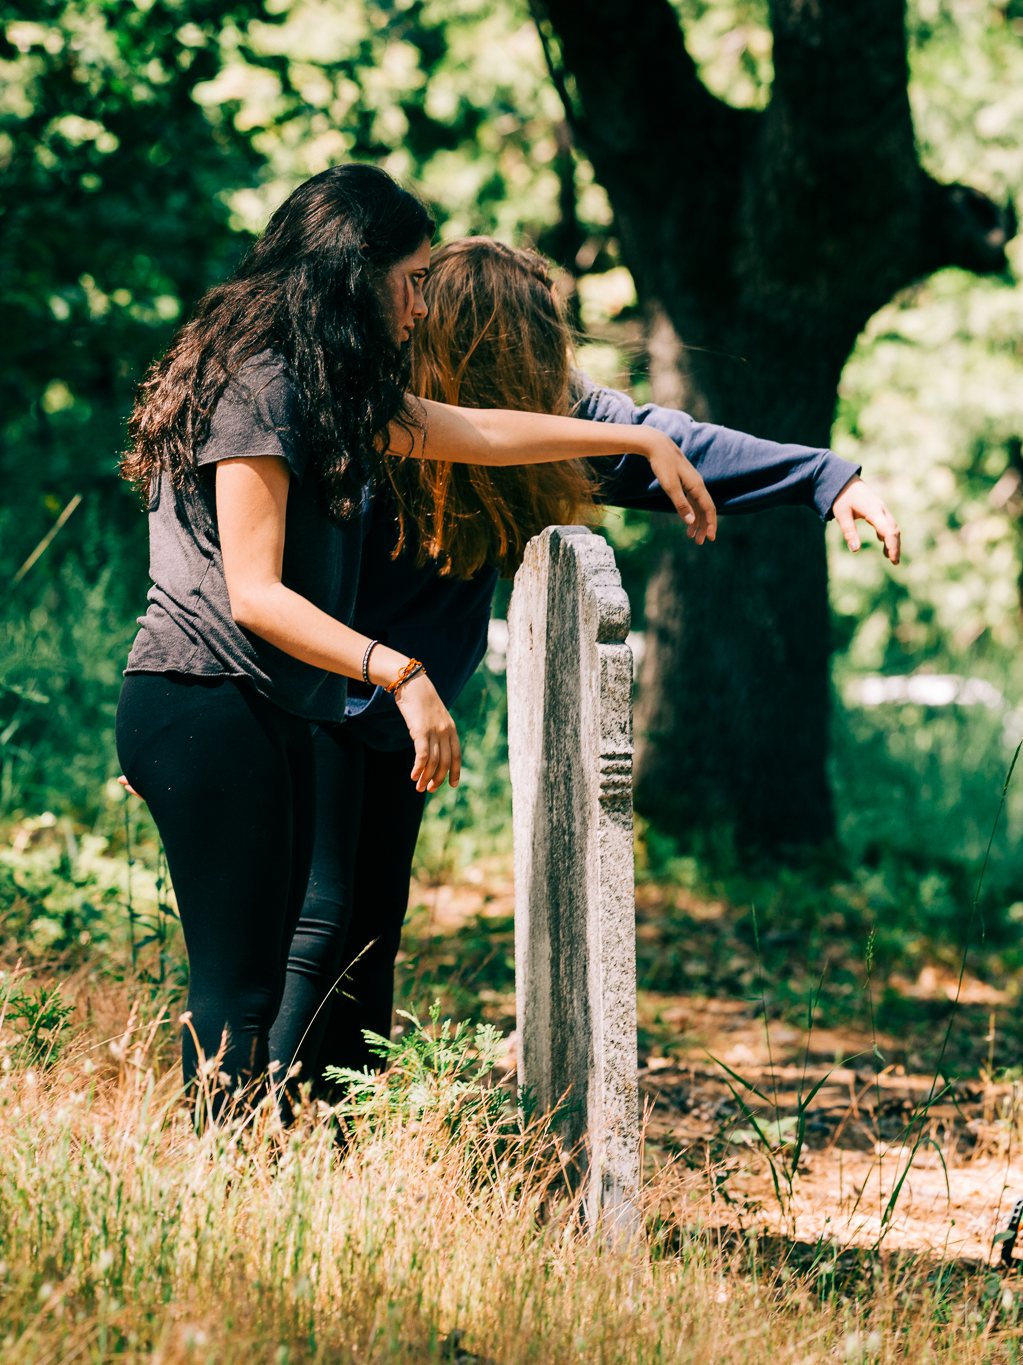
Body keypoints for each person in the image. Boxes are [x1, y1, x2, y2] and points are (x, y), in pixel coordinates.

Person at [115, 167, 719, 1116]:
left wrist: (639, 443)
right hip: (202, 700)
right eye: (413, 278)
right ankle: (212, 1204)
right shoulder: (258, 383)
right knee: (235, 997)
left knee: (265, 986)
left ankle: (247, 1192)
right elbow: (256, 594)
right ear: (354, 274)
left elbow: (470, 431)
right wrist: (399, 672)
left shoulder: (324, 382)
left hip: (263, 708)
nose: (422, 303)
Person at [266, 237, 902, 1096]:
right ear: (508, 345)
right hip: (315, 695)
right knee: (319, 915)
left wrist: (828, 479)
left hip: (402, 717)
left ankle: (335, 1124)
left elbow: (669, 442)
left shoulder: (548, 419)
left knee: (373, 922)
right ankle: (265, 1114)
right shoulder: (378, 410)